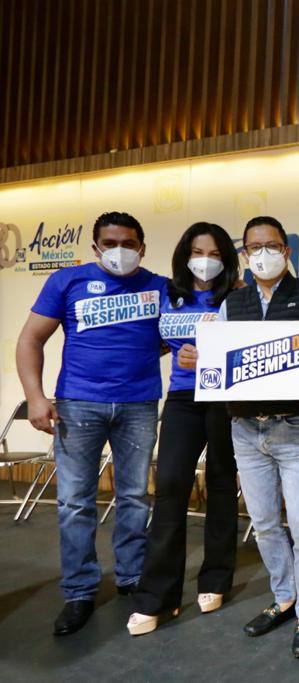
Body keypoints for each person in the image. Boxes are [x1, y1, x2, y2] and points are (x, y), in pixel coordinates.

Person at [181, 215, 299, 658]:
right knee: (265, 523)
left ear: (287, 251)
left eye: (272, 246)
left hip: (295, 427)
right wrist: (197, 358)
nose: (264, 254)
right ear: (245, 253)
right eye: (255, 247)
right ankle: (285, 597)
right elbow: (217, 357)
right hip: (245, 429)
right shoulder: (232, 304)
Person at [16, 211, 166, 636]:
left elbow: (172, 333)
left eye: (129, 243)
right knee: (75, 501)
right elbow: (30, 339)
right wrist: (36, 397)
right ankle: (79, 591)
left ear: (142, 247)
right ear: (96, 247)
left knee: (134, 496)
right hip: (78, 404)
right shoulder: (67, 281)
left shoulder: (159, 286)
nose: (120, 250)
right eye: (111, 243)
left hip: (138, 404)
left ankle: (131, 577)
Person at [126, 222, 241, 636]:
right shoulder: (167, 294)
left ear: (226, 259)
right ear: (184, 255)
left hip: (225, 398)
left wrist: (211, 355)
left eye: (214, 254)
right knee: (171, 485)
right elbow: (155, 340)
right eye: (197, 252)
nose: (205, 261)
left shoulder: (238, 295)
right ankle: (158, 595)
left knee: (222, 484)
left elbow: (251, 351)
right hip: (181, 398)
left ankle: (216, 578)